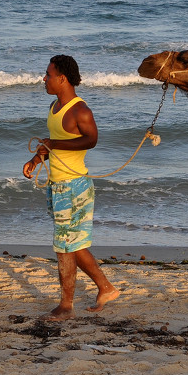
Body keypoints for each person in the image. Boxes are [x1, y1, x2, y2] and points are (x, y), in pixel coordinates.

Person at [22, 55, 120, 319]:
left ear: (62, 78)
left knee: (64, 246)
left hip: (75, 186)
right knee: (71, 244)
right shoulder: (54, 107)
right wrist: (36, 158)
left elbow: (91, 140)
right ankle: (106, 288)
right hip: (57, 184)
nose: (44, 79)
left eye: (48, 74)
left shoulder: (80, 110)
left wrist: (54, 145)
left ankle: (66, 306)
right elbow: (53, 141)